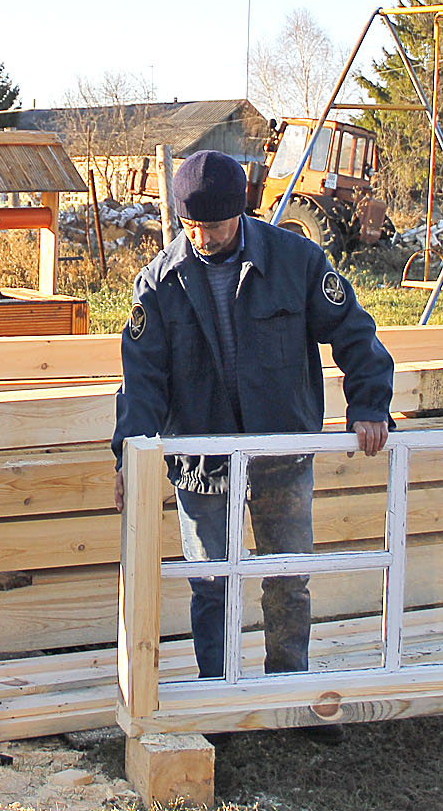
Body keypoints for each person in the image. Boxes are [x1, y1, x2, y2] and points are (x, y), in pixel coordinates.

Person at [113, 150, 395, 738]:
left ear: (240, 211)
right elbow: (141, 381)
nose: (202, 238)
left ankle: (290, 692)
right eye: (191, 227)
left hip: (280, 451)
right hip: (200, 457)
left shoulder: (297, 261)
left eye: (213, 226)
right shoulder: (160, 283)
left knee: (287, 574)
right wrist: (129, 456)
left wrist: (369, 404)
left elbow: (354, 331)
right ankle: (219, 701)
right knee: (210, 578)